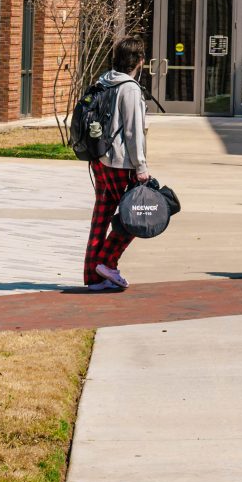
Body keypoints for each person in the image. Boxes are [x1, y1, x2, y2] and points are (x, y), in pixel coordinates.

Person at [81, 39, 149, 293]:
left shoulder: (103, 80)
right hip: (121, 163)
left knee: (101, 217)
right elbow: (132, 131)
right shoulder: (129, 88)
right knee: (137, 216)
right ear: (139, 61)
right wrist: (141, 165)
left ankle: (93, 275)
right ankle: (107, 263)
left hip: (99, 159)